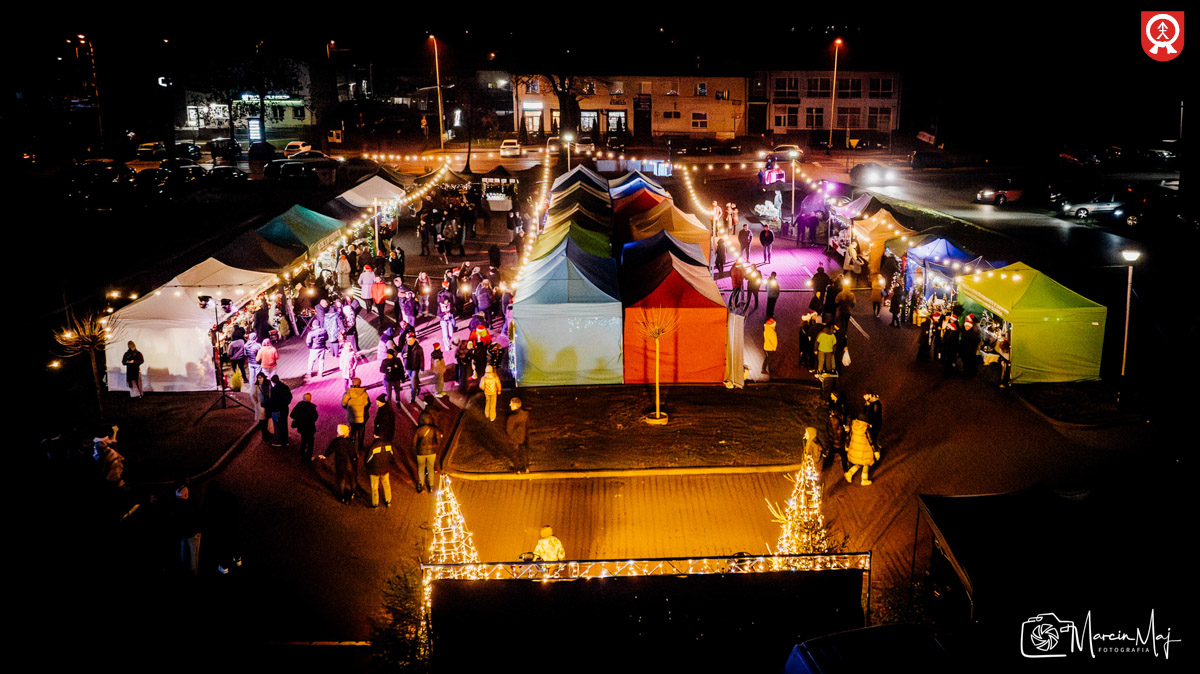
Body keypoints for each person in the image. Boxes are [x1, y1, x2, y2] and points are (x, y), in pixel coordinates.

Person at [320, 424, 358, 504]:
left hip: (340, 463)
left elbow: (330, 449)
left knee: (341, 480)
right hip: (349, 463)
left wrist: (325, 455)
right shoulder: (349, 441)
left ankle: (342, 497)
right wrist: (355, 459)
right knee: (352, 479)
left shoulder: (336, 441)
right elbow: (353, 453)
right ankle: (352, 493)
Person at [172, 481, 203, 577]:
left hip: (182, 534)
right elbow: (197, 518)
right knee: (194, 556)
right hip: (192, 534)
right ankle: (195, 573)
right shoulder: (190, 505)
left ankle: (183, 571)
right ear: (186, 495)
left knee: (183, 553)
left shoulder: (175, 506)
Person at [845, 412, 877, 486]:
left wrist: (847, 446)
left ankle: (850, 473)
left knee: (858, 462)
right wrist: (875, 451)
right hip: (863, 448)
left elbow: (849, 436)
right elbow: (871, 439)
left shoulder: (854, 426)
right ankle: (864, 479)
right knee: (866, 462)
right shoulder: (865, 428)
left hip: (855, 448)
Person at [413, 409, 441, 493]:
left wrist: (416, 450)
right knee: (430, 468)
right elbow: (438, 442)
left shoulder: (418, 429)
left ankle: (421, 484)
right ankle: (431, 485)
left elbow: (414, 442)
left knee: (421, 468)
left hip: (420, 452)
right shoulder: (435, 429)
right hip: (432, 452)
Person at [342, 377, 370, 453]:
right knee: (361, 431)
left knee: (353, 430)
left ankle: (352, 445)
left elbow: (343, 404)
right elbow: (367, 404)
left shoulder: (348, 393)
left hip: (352, 416)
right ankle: (360, 447)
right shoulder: (364, 393)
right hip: (361, 417)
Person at [365, 436, 395, 507]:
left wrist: (368, 468)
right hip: (385, 469)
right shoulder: (388, 446)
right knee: (386, 484)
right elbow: (392, 457)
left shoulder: (373, 447)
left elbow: (368, 460)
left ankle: (375, 503)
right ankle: (388, 500)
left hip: (374, 471)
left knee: (374, 487)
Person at [290, 392, 319, 462]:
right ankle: (309, 456)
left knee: (303, 440)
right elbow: (315, 417)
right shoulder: (312, 407)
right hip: (310, 427)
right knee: (310, 442)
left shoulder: (299, 405)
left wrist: (299, 419)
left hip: (302, 427)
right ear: (310, 399)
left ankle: (302, 454)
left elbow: (292, 415)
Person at [506, 397, 530, 472]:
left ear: (516, 405)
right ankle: (525, 467)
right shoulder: (525, 414)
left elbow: (509, 430)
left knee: (515, 454)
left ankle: (518, 468)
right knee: (523, 453)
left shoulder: (512, 417)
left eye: (511, 403)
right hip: (523, 438)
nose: (510, 405)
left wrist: (511, 438)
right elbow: (527, 426)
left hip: (514, 439)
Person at [269, 375, 292, 448]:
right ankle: (285, 441)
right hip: (284, 410)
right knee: (284, 425)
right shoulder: (285, 387)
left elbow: (272, 401)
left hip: (276, 411)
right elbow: (290, 397)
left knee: (277, 426)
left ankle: (278, 441)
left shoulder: (274, 390)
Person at [403, 333, 424, 402]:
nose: (409, 342)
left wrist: (422, 368)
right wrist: (403, 355)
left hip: (415, 367)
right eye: (408, 340)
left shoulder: (419, 348)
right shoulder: (405, 346)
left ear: (414, 339)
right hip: (408, 367)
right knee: (414, 380)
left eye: (410, 340)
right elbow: (402, 353)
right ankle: (418, 387)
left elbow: (422, 359)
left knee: (413, 381)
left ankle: (413, 397)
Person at [252, 373, 272, 441]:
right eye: (258, 378)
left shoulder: (267, 383)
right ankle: (264, 435)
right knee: (263, 420)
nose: (259, 379)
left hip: (267, 404)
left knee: (266, 420)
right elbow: (254, 395)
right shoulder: (257, 386)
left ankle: (266, 432)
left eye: (260, 378)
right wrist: (258, 402)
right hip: (261, 406)